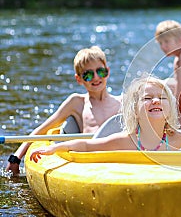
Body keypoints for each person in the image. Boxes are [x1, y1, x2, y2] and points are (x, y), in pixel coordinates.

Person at [29, 75, 181, 163]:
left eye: (161, 98)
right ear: (135, 110)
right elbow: (86, 145)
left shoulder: (176, 138)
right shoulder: (126, 140)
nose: (155, 101)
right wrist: (54, 148)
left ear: (169, 107)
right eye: (147, 98)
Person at [6, 46, 122, 176]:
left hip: (120, 157)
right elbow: (42, 130)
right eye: (88, 75)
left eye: (100, 71)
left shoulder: (123, 102)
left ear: (108, 71)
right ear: (79, 79)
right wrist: (16, 157)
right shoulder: (77, 103)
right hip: (91, 161)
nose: (96, 77)